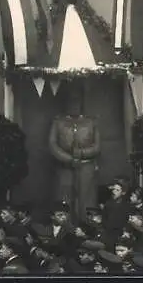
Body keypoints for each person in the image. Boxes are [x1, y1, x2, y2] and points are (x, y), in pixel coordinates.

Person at [49, 81, 101, 222]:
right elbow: (52, 145)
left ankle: (86, 226)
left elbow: (97, 146)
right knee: (64, 198)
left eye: (77, 101)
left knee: (86, 200)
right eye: (71, 101)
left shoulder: (91, 122)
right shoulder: (58, 122)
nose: (74, 105)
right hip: (64, 167)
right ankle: (64, 228)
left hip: (86, 167)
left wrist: (82, 153)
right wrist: (68, 159)